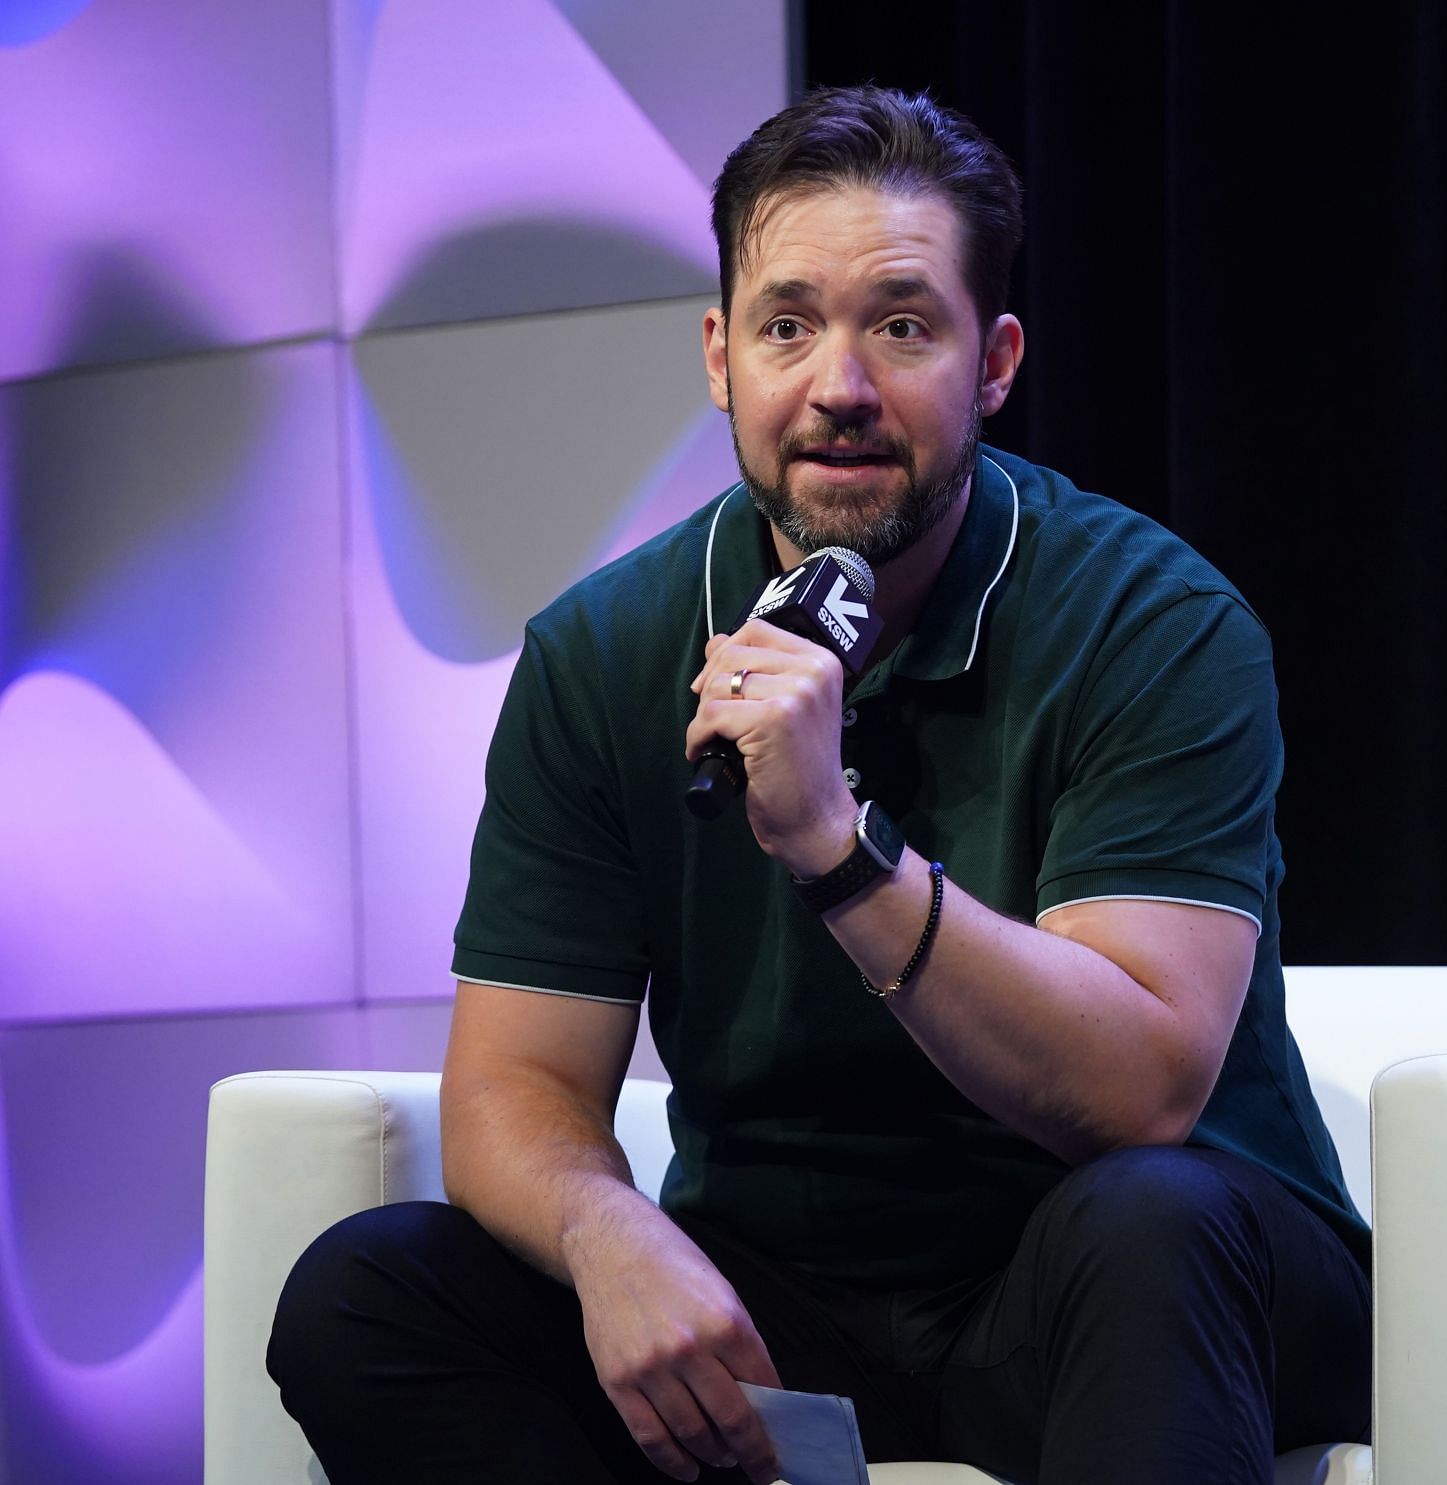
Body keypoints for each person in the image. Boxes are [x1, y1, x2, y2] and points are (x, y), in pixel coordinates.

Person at [270, 85, 1370, 1485]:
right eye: (789, 325)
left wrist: (839, 850)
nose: (838, 384)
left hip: (1141, 1283)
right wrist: (614, 1236)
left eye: (902, 325)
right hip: (791, 1302)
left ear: (995, 362)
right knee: (370, 1291)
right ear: (722, 356)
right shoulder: (603, 651)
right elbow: (513, 1086)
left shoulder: (1151, 619)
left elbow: (1138, 1091)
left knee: (1148, 1218)